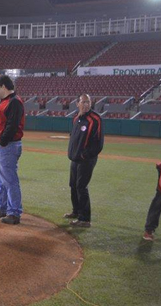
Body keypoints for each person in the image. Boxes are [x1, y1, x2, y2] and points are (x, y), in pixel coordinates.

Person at [0, 75, 25, 225]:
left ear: (3, 87)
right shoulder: (6, 102)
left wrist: (2, 142)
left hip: (7, 147)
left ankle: (14, 212)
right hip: (0, 147)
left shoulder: (14, 102)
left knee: (9, 180)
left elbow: (12, 125)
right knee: (1, 179)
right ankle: (0, 207)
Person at [64, 94, 104, 228]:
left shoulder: (95, 119)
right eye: (83, 102)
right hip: (75, 159)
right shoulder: (76, 118)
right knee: (73, 185)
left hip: (86, 160)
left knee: (81, 187)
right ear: (77, 104)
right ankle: (76, 211)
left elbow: (98, 144)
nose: (86, 105)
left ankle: (85, 219)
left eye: (88, 102)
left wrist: (84, 155)